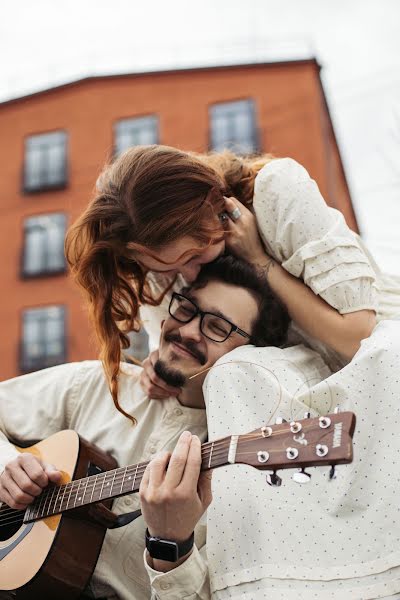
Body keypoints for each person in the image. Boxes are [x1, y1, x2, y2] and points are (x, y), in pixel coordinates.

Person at [0, 256, 290, 600]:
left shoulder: (243, 476)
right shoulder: (102, 383)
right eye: (187, 309)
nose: (188, 331)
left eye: (217, 328)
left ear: (251, 357)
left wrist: (173, 543)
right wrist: (6, 464)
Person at [65, 144, 400, 417]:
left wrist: (259, 262)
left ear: (216, 208)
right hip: (307, 418)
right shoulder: (160, 275)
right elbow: (203, 371)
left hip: (387, 378)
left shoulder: (276, 192)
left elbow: (359, 338)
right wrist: (165, 369)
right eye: (168, 268)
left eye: (192, 257)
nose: (188, 278)